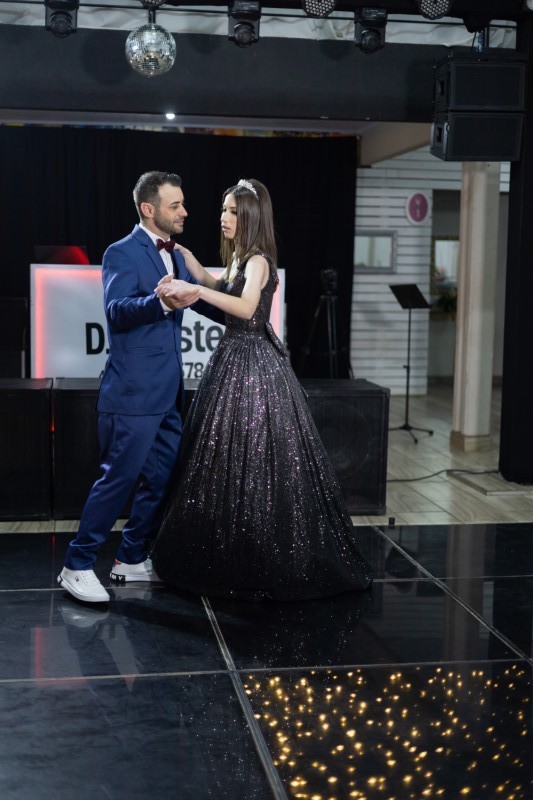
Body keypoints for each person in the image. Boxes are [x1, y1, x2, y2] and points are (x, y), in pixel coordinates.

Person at [151, 178, 373, 601]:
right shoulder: (238, 259)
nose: (224, 217)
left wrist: (195, 289)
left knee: (252, 456)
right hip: (233, 357)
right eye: (223, 209)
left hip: (253, 363)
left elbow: (246, 307)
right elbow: (223, 290)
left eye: (233, 211)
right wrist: (193, 265)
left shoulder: (257, 261)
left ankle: (258, 554)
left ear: (252, 217)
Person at [58, 171, 223, 604]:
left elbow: (206, 301)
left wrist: (239, 306)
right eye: (175, 205)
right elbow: (117, 310)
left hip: (167, 393)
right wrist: (160, 302)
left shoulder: (177, 256)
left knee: (161, 478)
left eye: (183, 203)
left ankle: (130, 558)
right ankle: (76, 565)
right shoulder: (121, 252)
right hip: (132, 393)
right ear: (149, 209)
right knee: (119, 479)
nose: (184, 212)